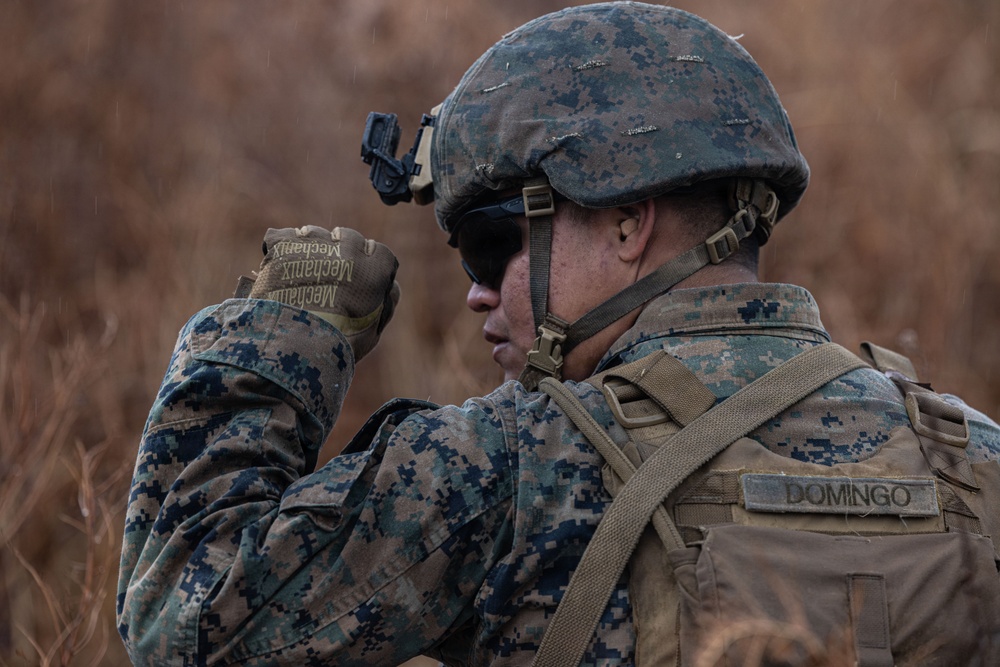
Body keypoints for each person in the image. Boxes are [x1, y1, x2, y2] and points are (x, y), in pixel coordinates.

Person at [117, 3, 1000, 665]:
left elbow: (184, 614)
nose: (474, 294)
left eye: (491, 243)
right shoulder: (975, 464)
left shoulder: (509, 464)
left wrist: (280, 333)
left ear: (627, 225)